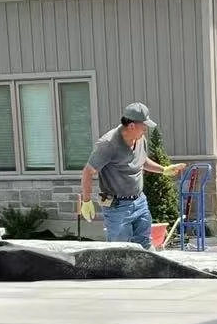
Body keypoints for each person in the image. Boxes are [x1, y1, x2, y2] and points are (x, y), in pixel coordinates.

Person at [78, 103, 182, 247]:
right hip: (117, 206)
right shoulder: (108, 144)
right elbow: (88, 171)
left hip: (139, 201)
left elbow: (142, 160)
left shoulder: (140, 139)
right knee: (121, 250)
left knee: (144, 244)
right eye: (143, 126)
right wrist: (87, 200)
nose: (145, 130)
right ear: (131, 126)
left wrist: (163, 169)